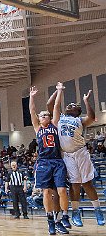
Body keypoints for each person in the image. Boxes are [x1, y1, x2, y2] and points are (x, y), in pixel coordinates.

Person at [57, 90, 105, 226]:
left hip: (81, 152)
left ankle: (97, 210)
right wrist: (58, 92)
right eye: (69, 104)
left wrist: (86, 102)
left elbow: (91, 117)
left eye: (73, 105)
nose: (69, 105)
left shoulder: (80, 120)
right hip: (67, 155)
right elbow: (52, 106)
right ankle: (76, 212)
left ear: (78, 111)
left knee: (87, 183)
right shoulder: (60, 117)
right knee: (75, 184)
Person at [30, 83, 70, 235]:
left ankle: (63, 217)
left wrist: (59, 91)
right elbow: (31, 110)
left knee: (61, 191)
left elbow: (56, 106)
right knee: (46, 193)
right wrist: (32, 98)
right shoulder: (37, 128)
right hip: (44, 163)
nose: (45, 116)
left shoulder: (54, 124)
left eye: (46, 114)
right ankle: (51, 222)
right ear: (39, 119)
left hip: (57, 161)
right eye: (42, 115)